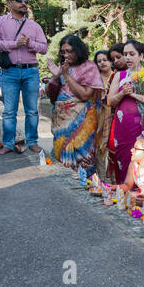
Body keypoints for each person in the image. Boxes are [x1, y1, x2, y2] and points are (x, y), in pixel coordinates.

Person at [46, 34, 104, 175]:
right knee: (62, 151)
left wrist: (66, 76)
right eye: (63, 51)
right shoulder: (63, 67)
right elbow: (50, 94)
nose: (66, 55)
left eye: (69, 51)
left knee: (82, 152)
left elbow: (85, 95)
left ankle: (87, 185)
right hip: (61, 118)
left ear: (78, 49)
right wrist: (55, 76)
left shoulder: (89, 66)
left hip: (82, 118)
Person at [0, 0, 48, 155]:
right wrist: (15, 44)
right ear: (9, 3)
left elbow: (44, 48)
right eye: (19, 0)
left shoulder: (34, 26)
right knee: (9, 111)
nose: (24, 3)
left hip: (31, 71)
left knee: (32, 110)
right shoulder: (0, 22)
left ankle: (32, 142)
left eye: (26, 1)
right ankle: (8, 143)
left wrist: (29, 44)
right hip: (9, 71)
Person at [107, 39, 144, 183]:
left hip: (143, 126)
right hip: (123, 128)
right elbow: (110, 101)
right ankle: (125, 192)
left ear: (141, 56)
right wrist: (122, 93)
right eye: (125, 54)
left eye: (132, 54)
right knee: (124, 160)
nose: (128, 58)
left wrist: (132, 94)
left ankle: (141, 195)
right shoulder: (119, 76)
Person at [106, 43, 128, 184]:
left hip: (138, 120)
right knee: (116, 151)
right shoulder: (115, 76)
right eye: (113, 59)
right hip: (117, 118)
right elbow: (110, 100)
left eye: (118, 57)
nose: (116, 61)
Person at [94, 49, 113, 182]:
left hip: (113, 115)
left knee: (111, 147)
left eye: (105, 60)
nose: (102, 63)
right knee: (99, 147)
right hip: (97, 115)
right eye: (99, 61)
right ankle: (101, 179)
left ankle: (113, 180)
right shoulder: (94, 78)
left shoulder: (117, 76)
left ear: (111, 61)